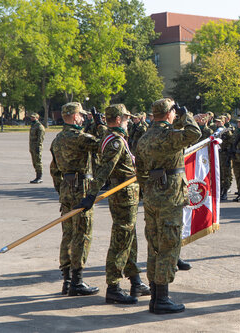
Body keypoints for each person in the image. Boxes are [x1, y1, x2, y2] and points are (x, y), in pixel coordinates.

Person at [76, 104, 150, 305]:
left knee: (129, 238)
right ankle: (114, 286)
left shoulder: (114, 137)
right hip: (123, 195)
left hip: (129, 195)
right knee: (121, 240)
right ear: (118, 120)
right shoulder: (115, 142)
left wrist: (99, 124)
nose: (127, 122)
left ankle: (135, 280)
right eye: (125, 119)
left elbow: (103, 134)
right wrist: (91, 195)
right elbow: (103, 170)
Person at [135, 98, 201, 314]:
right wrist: (186, 114)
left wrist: (150, 188)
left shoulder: (144, 138)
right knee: (169, 246)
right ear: (169, 113)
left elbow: (140, 173)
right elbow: (195, 133)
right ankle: (162, 299)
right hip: (170, 197)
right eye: (173, 112)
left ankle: (155, 296)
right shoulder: (169, 136)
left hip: (153, 196)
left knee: (154, 246)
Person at [49, 102, 102, 296]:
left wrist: (61, 190)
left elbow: (54, 169)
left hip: (66, 188)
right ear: (73, 116)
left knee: (68, 233)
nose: (83, 118)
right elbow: (105, 145)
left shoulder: (57, 139)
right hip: (81, 189)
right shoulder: (80, 138)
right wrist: (100, 125)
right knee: (82, 234)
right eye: (81, 115)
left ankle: (67, 279)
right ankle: (77, 281)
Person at [29, 112, 45, 184]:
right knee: (34, 162)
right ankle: (37, 176)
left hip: (37, 147)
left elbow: (40, 138)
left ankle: (39, 177)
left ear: (37, 118)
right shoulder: (33, 125)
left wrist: (38, 147)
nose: (32, 118)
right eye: (31, 117)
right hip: (32, 146)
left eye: (33, 117)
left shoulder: (39, 126)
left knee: (38, 162)